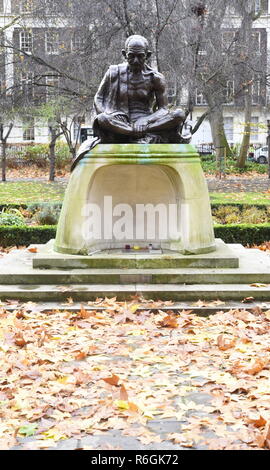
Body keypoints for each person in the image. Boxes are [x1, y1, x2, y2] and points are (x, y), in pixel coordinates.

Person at [71, 34, 191, 171]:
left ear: (148, 55)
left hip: (147, 122)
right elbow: (98, 98)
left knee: (179, 114)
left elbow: (163, 109)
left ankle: (133, 133)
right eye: (131, 56)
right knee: (102, 118)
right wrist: (111, 113)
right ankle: (133, 133)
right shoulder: (113, 72)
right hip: (120, 122)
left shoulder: (156, 78)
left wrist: (145, 121)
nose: (135, 60)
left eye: (140, 56)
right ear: (124, 54)